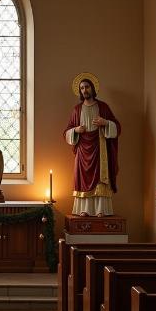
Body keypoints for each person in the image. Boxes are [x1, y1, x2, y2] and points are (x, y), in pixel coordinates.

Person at [63, 73, 121, 216]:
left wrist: (105, 123)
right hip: (83, 149)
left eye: (87, 87)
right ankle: (84, 210)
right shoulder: (77, 109)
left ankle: (101, 209)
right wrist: (76, 130)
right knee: (83, 178)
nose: (84, 90)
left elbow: (117, 127)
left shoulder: (103, 107)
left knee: (101, 178)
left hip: (100, 147)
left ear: (92, 88)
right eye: (82, 88)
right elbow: (66, 132)